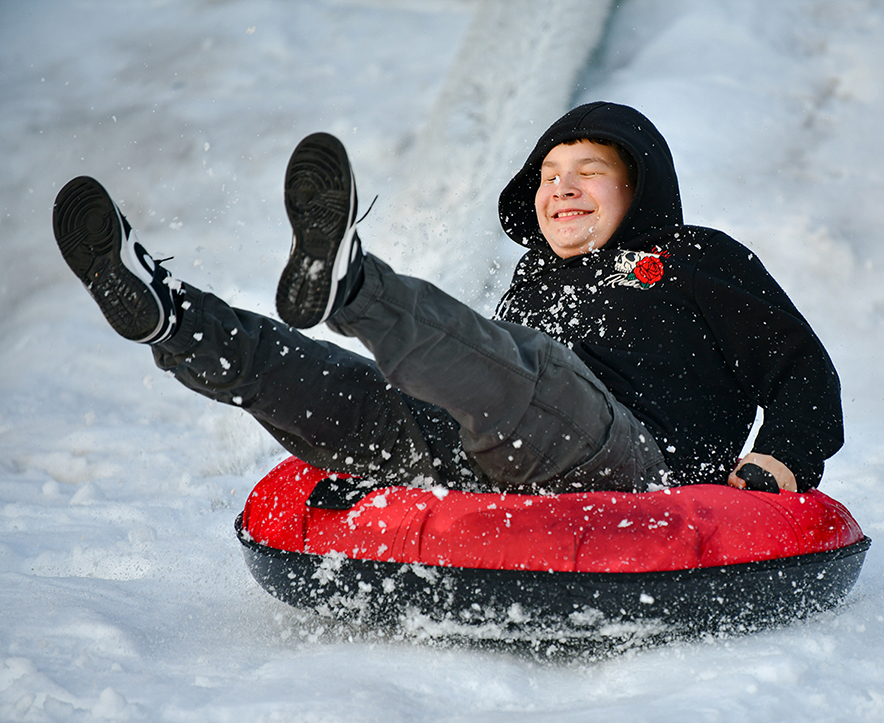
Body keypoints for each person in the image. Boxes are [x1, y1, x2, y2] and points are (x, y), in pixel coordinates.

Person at [52, 102, 842, 496]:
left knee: (531, 379)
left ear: (639, 184)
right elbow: (485, 380)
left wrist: (782, 461)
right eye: (547, 174)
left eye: (589, 170)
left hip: (638, 467)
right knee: (365, 403)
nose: (561, 185)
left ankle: (353, 284)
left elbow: (804, 372)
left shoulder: (691, 258)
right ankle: (176, 317)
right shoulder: (532, 281)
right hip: (517, 449)